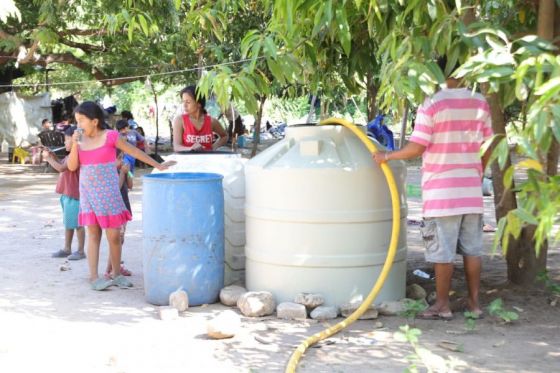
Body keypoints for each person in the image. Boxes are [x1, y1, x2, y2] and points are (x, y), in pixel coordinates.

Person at [373, 57, 493, 320]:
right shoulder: (480, 102)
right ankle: (474, 304)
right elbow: (488, 145)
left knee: (443, 252)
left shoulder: (434, 103)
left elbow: (417, 146)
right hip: (471, 192)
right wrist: (477, 172)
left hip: (443, 193)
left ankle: (442, 305)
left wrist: (388, 156)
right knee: (473, 250)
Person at [67, 101, 176, 291]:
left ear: (94, 121)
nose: (79, 125)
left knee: (115, 236)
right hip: (89, 195)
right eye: (77, 121)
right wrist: (75, 145)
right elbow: (72, 166)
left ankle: (116, 274)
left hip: (109, 194)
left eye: (81, 120)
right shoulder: (80, 142)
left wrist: (157, 165)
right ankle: (94, 277)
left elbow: (133, 151)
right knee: (93, 234)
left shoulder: (110, 136)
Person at [42, 126, 86, 260]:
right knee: (68, 222)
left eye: (67, 140)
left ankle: (80, 251)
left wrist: (48, 159)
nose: (65, 143)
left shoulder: (76, 155)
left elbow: (61, 168)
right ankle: (67, 248)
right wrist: (53, 156)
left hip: (75, 195)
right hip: (67, 194)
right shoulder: (69, 156)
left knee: (78, 224)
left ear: (75, 140)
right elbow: (61, 163)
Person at [172, 85, 228, 152]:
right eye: (183, 101)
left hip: (207, 160)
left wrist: (213, 147)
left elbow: (224, 136)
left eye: (188, 102)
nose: (184, 105)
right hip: (187, 160)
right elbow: (177, 147)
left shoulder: (212, 121)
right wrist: (191, 149)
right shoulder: (180, 120)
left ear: (199, 104)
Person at [104, 150, 133, 279]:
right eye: (119, 158)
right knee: (116, 239)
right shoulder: (109, 174)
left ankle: (116, 266)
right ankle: (109, 270)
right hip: (115, 210)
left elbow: (130, 185)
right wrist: (121, 173)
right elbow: (116, 188)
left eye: (122, 158)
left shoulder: (122, 170)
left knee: (120, 240)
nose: (122, 161)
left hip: (124, 209)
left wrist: (127, 174)